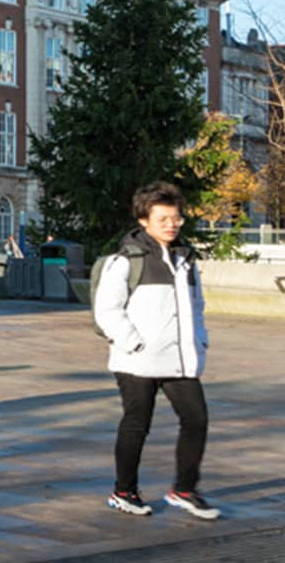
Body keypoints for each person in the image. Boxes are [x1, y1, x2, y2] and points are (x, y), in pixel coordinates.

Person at [93, 181, 219, 520]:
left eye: (176, 218)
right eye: (163, 218)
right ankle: (124, 491)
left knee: (197, 420)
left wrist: (200, 339)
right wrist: (133, 342)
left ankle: (184, 489)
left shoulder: (186, 260)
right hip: (137, 360)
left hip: (179, 359)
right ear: (144, 220)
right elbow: (107, 310)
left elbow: (197, 305)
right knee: (137, 424)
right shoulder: (126, 260)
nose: (172, 224)